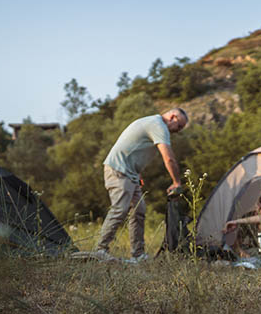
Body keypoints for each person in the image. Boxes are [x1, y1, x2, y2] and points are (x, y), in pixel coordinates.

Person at [73, 108, 188, 263]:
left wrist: (137, 174)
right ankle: (100, 250)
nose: (178, 131)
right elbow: (169, 158)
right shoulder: (159, 125)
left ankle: (138, 255)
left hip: (130, 174)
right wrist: (176, 182)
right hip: (119, 171)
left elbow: (134, 146)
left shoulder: (152, 122)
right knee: (120, 208)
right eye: (179, 126)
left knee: (138, 211)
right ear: (173, 117)